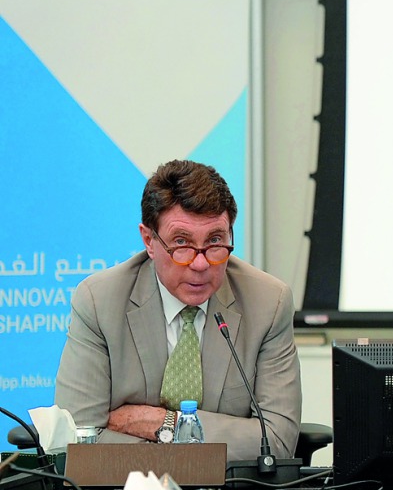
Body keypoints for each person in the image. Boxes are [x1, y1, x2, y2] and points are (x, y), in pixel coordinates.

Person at [55, 160, 301, 461]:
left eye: (215, 241)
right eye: (181, 243)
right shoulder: (100, 301)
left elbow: (276, 441)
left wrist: (165, 425)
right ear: (149, 241)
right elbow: (81, 440)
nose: (200, 264)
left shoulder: (268, 303)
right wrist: (189, 457)